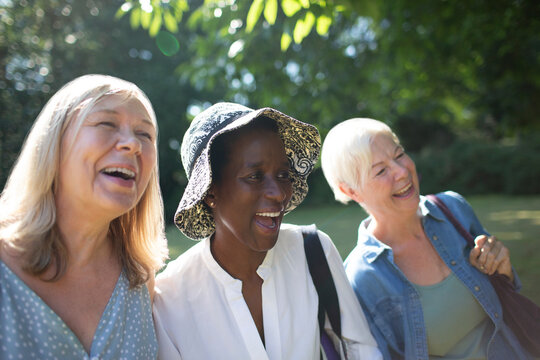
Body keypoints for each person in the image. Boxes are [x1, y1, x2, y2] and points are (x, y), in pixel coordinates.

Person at [153, 102, 382, 359]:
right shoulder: (168, 300)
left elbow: (360, 348)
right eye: (254, 176)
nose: (278, 193)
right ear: (209, 191)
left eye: (283, 174)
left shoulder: (314, 251)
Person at [320, 118, 533, 360]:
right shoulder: (361, 279)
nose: (402, 171)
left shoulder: (454, 208)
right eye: (380, 170)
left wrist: (503, 269)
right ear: (350, 191)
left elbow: (507, 297)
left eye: (399, 155)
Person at [0, 74, 168, 359]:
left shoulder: (140, 282)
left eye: (145, 134)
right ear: (54, 143)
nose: (133, 144)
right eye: (106, 123)